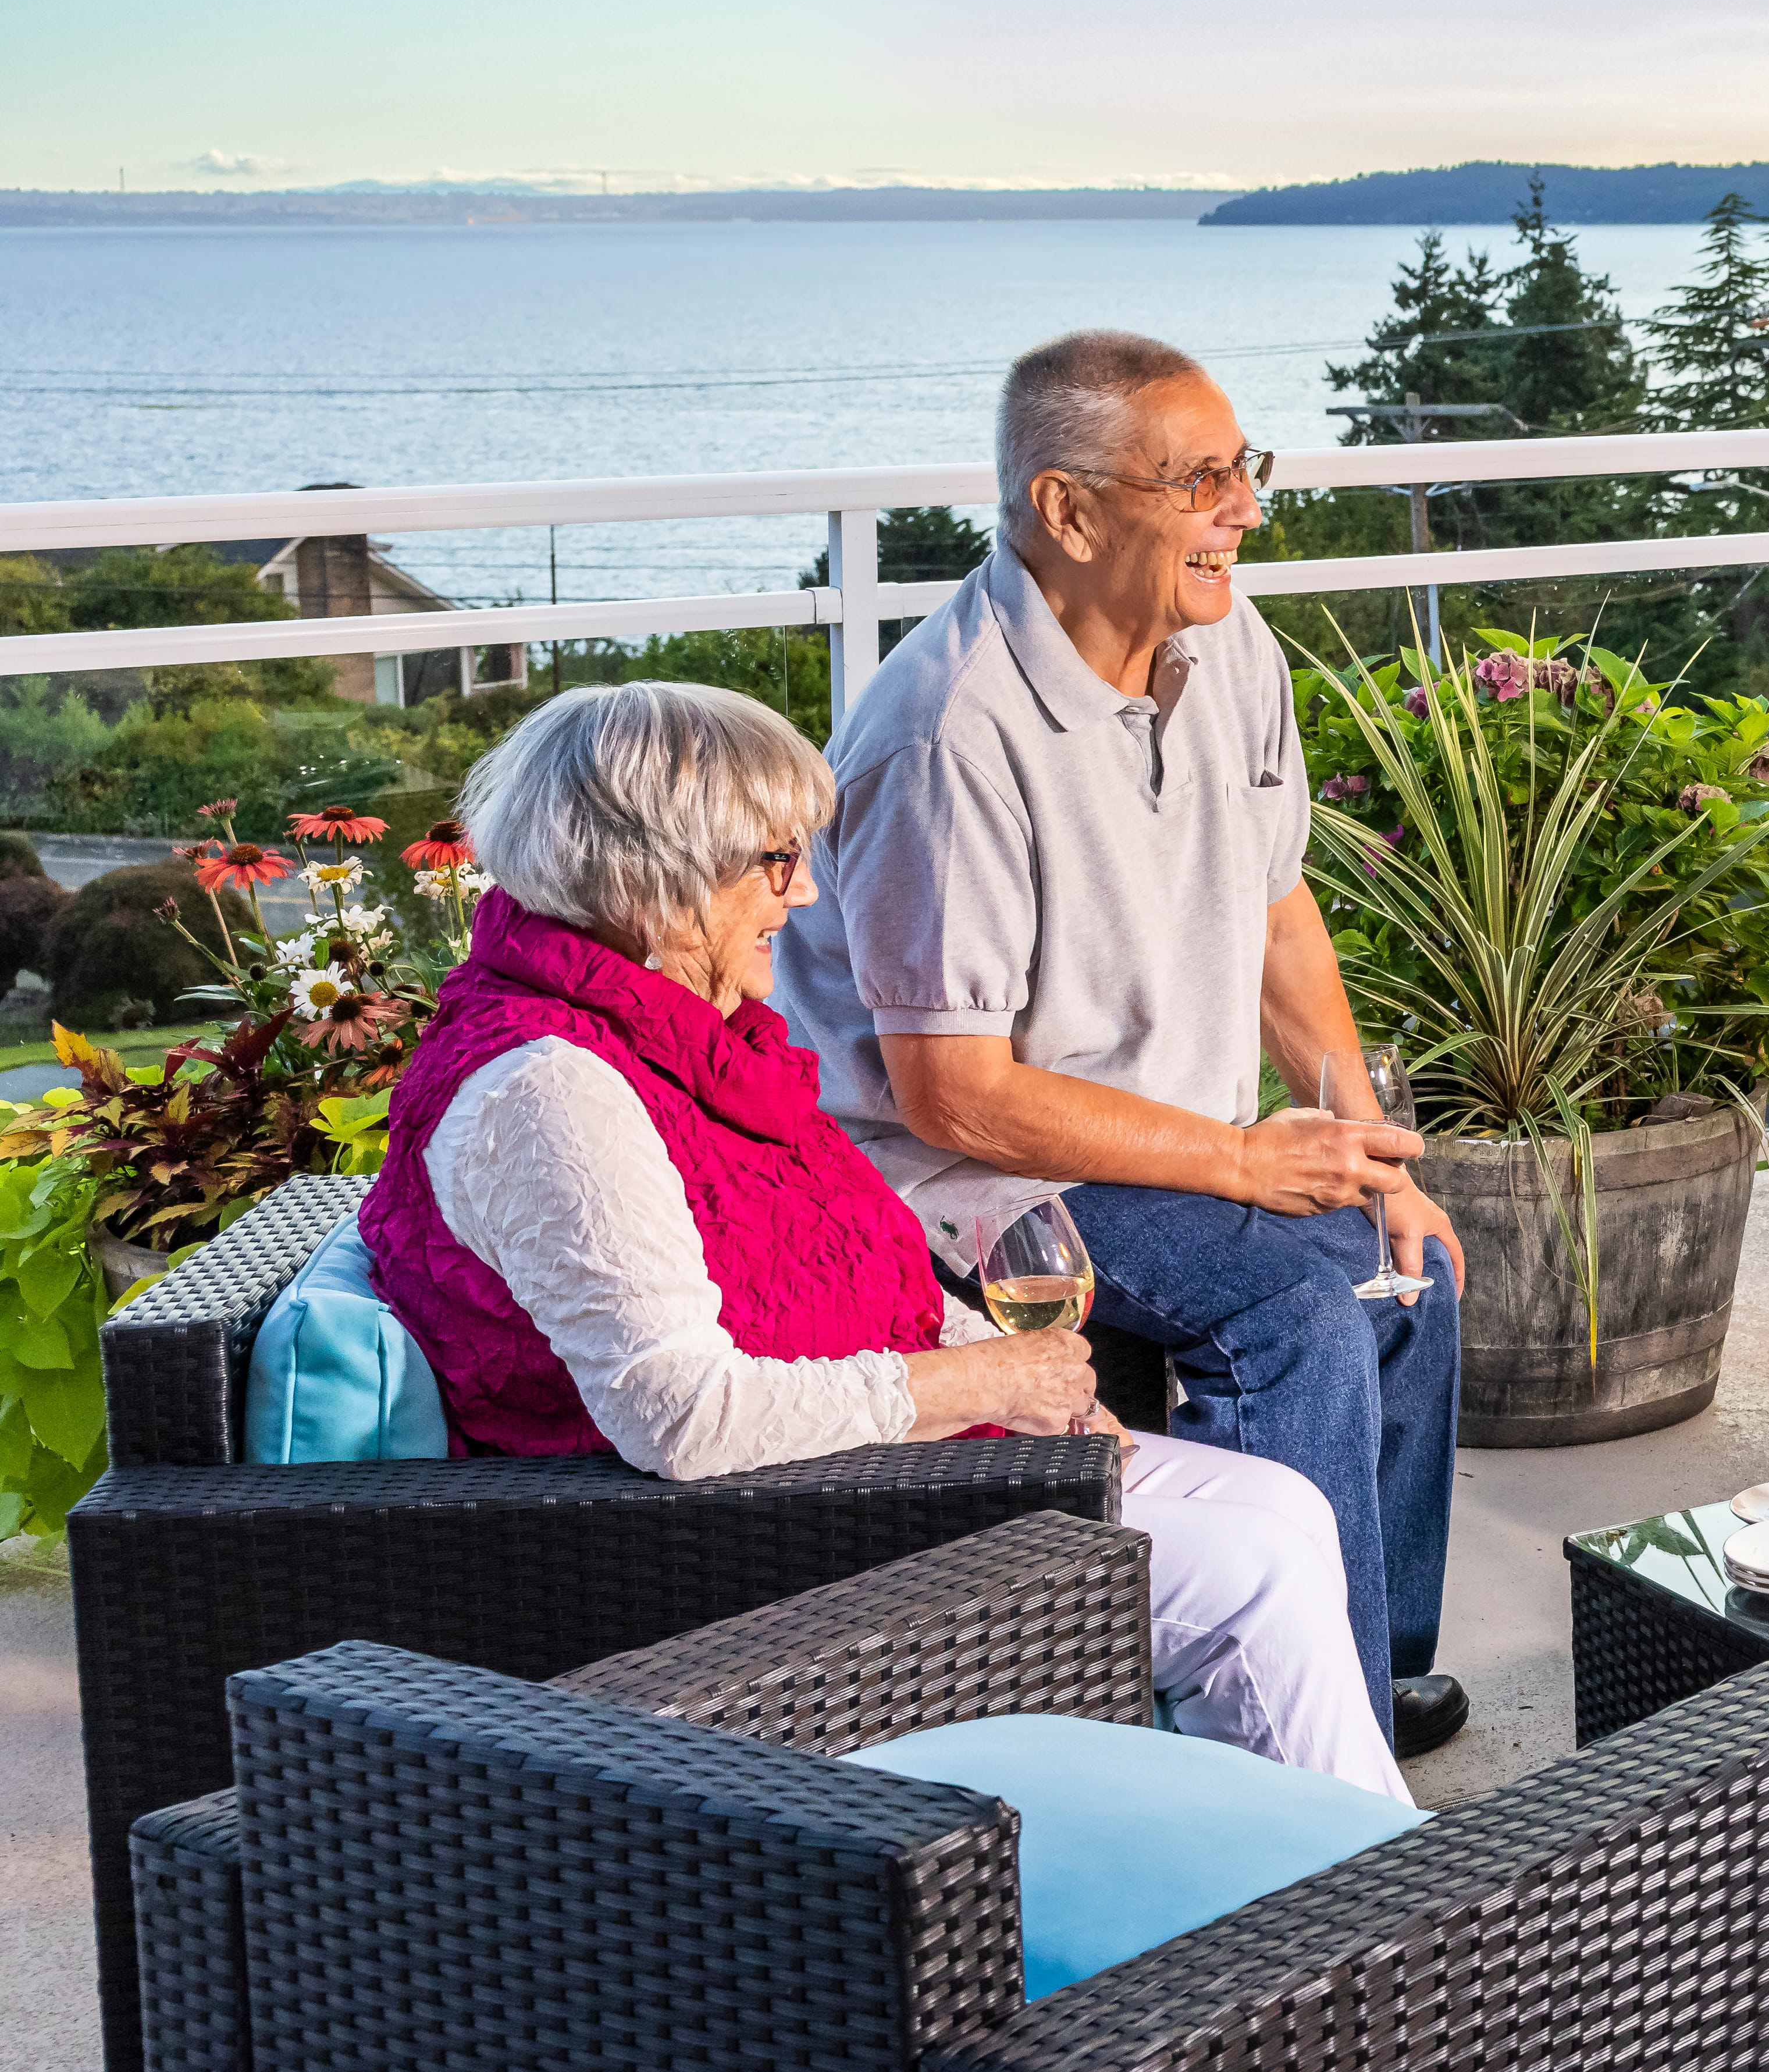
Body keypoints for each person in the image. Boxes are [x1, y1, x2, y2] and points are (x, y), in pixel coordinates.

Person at [363, 684, 1406, 1801]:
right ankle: (1377, 1915)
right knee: (1247, 1580)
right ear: (655, 874)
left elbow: (869, 1265)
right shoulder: (552, 1092)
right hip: (745, 1545)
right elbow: (681, 1413)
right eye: (776, 861)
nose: (805, 891)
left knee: (1286, 1509)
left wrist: (1039, 1388)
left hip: (856, 1471)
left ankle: (1270, 1868)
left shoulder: (693, 1041)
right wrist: (976, 1380)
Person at [775, 330, 1472, 1760]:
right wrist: (1243, 1165)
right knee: (1294, 1301)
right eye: (1201, 479)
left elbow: (1280, 914)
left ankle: (1371, 1670)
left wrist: (1358, 1145)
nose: (1247, 507)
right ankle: (1293, 1748)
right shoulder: (945, 738)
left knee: (1413, 1267)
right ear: (1069, 510)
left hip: (1174, 1138)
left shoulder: (1228, 640)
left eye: (1244, 467)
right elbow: (953, 1091)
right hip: (967, 1174)